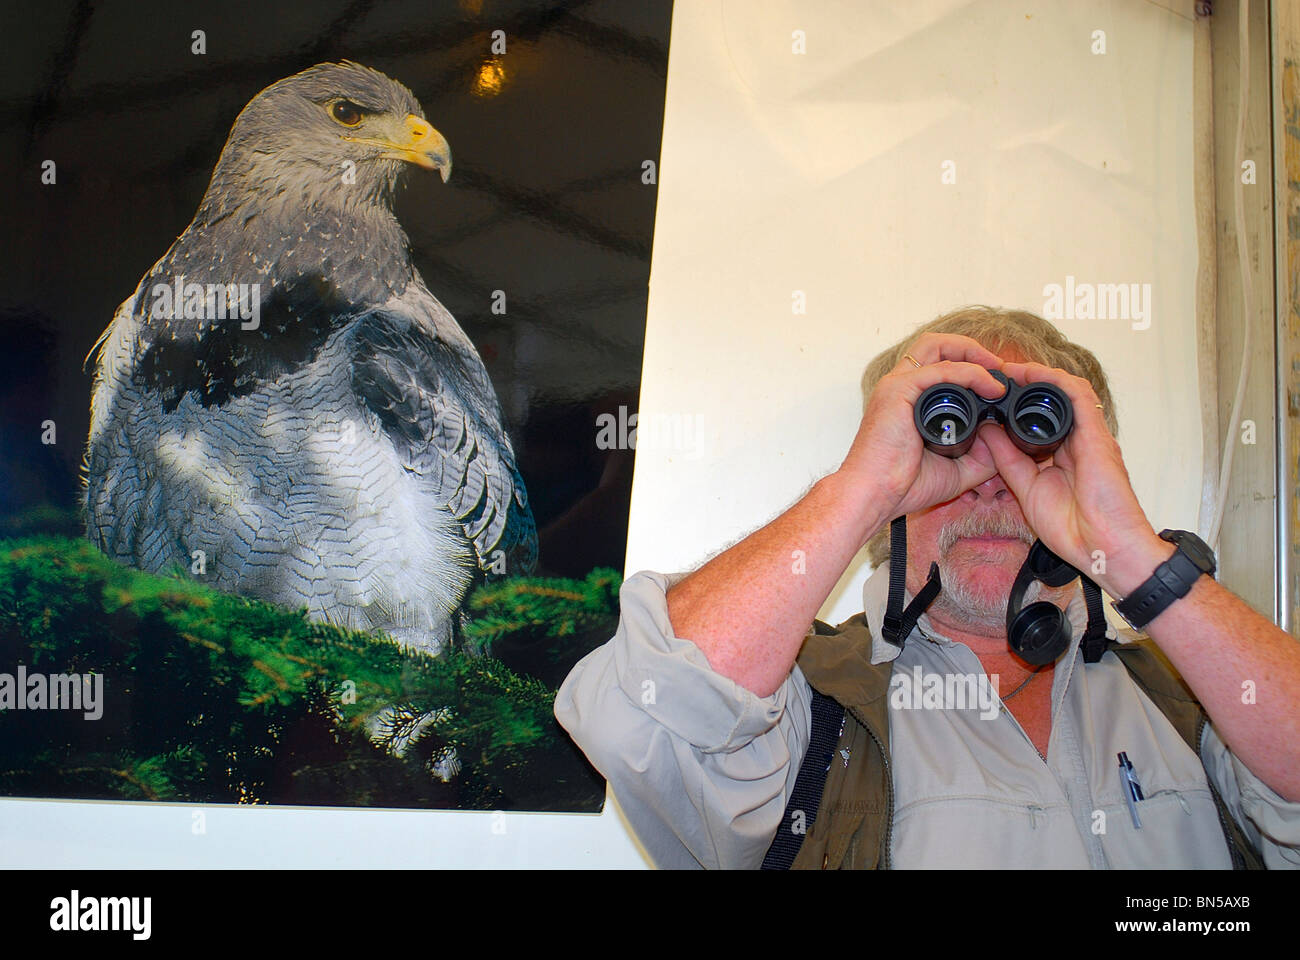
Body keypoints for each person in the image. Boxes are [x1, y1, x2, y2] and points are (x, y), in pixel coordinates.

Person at [554, 305, 1300, 869]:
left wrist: (1130, 553)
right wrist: (864, 485)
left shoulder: (1192, 699)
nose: (990, 485)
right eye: (953, 434)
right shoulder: (802, 711)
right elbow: (641, 718)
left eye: (1030, 445)